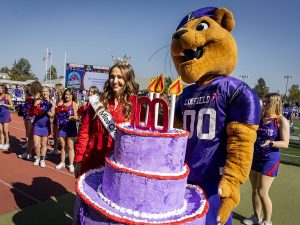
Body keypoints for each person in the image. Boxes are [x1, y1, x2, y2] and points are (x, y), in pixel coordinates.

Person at [74, 62, 139, 178]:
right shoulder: (97, 101)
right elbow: (84, 132)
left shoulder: (135, 105)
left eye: (120, 77)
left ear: (128, 79)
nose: (114, 81)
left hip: (117, 164)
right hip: (92, 160)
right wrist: (78, 159)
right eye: (112, 77)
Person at [243, 93, 289, 225]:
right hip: (255, 157)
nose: (264, 104)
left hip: (270, 160)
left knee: (263, 191)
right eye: (264, 102)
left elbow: (285, 143)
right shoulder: (260, 118)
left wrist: (270, 143)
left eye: (268, 102)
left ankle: (267, 221)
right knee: (255, 190)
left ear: (275, 103)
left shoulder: (281, 120)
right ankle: (256, 217)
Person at [55, 88, 78, 172]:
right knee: (63, 146)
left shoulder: (74, 104)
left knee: (70, 146)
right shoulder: (61, 103)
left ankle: (71, 164)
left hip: (71, 127)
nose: (67, 96)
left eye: (69, 94)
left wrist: (69, 117)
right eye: (66, 94)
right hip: (62, 127)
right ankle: (62, 162)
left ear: (72, 96)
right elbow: (57, 114)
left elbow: (76, 117)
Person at [18, 81, 43, 159]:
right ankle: (31, 153)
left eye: (32, 86)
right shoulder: (38, 95)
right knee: (35, 137)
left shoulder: (36, 96)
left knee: (32, 136)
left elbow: (36, 107)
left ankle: (31, 154)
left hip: (34, 117)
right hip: (37, 117)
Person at [32, 86, 55, 167]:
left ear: (49, 92)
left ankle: (42, 159)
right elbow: (34, 109)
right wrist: (40, 106)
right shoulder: (38, 101)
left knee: (44, 144)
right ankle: (37, 158)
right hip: (37, 125)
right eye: (43, 91)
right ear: (41, 92)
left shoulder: (52, 103)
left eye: (46, 91)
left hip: (45, 126)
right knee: (36, 144)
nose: (45, 93)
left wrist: (46, 110)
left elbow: (52, 115)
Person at [48, 83, 64, 156]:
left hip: (61, 118)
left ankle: (64, 151)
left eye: (56, 88)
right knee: (54, 134)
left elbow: (59, 107)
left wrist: (54, 104)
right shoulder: (57, 97)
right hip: (56, 117)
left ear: (59, 89)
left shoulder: (63, 98)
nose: (55, 89)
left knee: (61, 135)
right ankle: (55, 149)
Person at [0, 84, 14, 151]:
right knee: (1, 131)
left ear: (4, 89)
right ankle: (2, 143)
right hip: (0, 115)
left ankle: (7, 143)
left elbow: (11, 106)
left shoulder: (7, 96)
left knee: (5, 131)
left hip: (5, 114)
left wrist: (4, 104)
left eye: (0, 88)